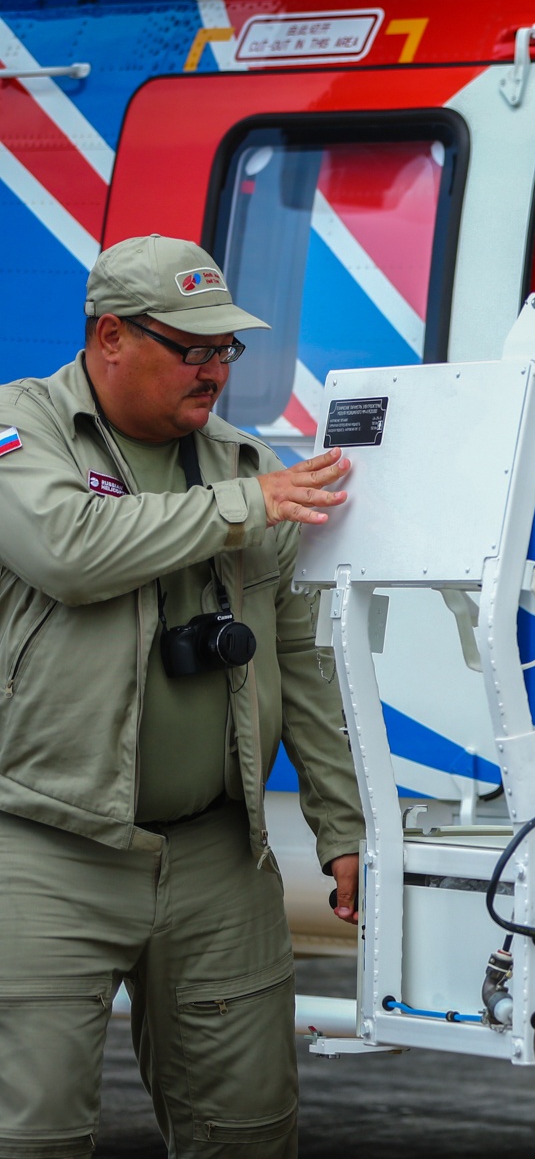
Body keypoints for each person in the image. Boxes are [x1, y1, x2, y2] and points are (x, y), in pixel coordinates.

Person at [0, 235, 364, 1158]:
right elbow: (70, 550)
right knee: (32, 1134)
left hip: (216, 854)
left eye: (225, 348)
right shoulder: (20, 429)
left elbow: (302, 661)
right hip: (43, 847)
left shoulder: (245, 466)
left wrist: (346, 828)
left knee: (246, 1132)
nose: (215, 370)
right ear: (110, 336)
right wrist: (247, 507)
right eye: (191, 347)